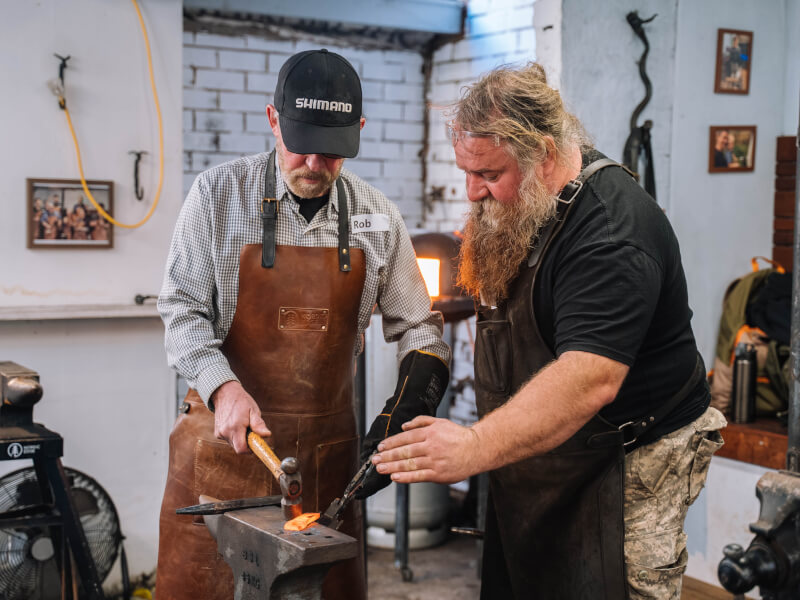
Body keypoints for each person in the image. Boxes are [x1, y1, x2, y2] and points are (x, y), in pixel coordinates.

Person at [372, 62, 726, 600]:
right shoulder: (524, 209)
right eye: (468, 172)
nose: (472, 193)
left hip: (631, 457)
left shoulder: (611, 234)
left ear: (545, 152)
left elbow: (589, 379)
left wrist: (472, 446)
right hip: (556, 450)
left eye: (490, 176)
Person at [155, 48, 450, 600]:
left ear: (359, 131)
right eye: (302, 146)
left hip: (326, 469)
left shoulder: (377, 217)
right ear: (273, 120)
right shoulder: (217, 197)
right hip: (225, 461)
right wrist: (225, 389)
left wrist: (407, 408)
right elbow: (181, 312)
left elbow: (421, 329)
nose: (314, 165)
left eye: (332, 152)